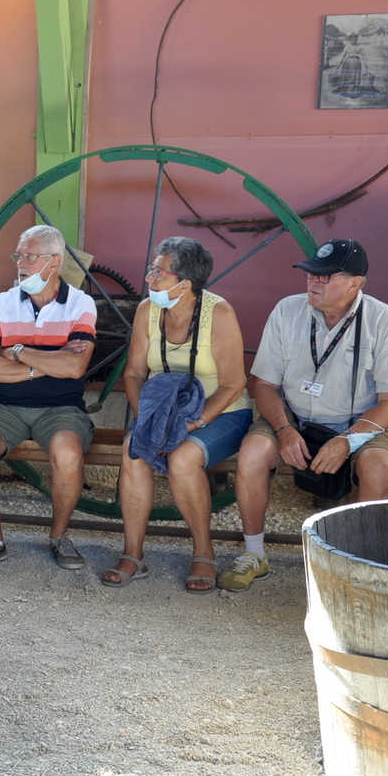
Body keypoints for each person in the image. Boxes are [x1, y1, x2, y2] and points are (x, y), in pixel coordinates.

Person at [225, 239, 388, 591]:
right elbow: (264, 385)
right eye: (311, 274)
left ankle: (363, 566)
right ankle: (254, 554)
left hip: (358, 423)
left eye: (325, 276)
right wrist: (283, 429)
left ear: (355, 282)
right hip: (292, 416)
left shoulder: (383, 320)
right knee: (253, 452)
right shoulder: (287, 310)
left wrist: (347, 441)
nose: (313, 281)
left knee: (378, 464)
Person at [101, 237, 249, 592]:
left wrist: (192, 423)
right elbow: (134, 373)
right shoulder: (147, 311)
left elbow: (233, 384)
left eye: (159, 272)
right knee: (133, 449)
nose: (149, 278)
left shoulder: (219, 313)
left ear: (185, 283)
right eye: (151, 270)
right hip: (162, 410)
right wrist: (148, 419)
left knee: (183, 457)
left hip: (221, 412)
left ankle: (204, 552)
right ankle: (133, 554)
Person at [0, 225, 97, 571]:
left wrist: (17, 351)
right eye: (18, 256)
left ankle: (59, 537)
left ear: (54, 262)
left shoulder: (80, 303)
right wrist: (47, 364)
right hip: (3, 406)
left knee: (67, 453)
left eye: (29, 256)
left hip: (61, 408)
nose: (20, 263)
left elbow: (75, 367)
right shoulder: (2, 303)